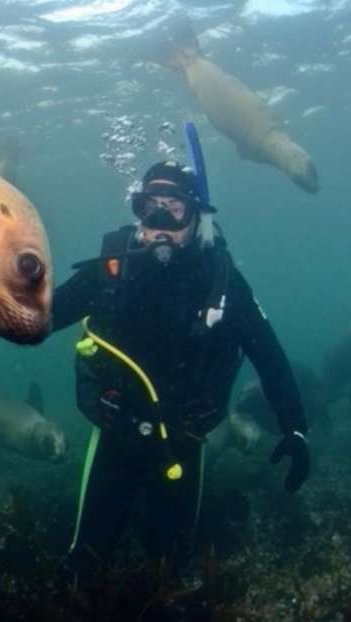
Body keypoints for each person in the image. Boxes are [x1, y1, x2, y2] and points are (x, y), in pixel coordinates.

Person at [53, 160, 309, 579]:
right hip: (117, 430)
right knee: (84, 562)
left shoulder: (220, 280)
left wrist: (295, 427)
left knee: (173, 567)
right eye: (148, 207)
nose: (159, 222)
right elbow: (40, 318)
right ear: (136, 213)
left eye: (174, 209)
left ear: (197, 217)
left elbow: (269, 355)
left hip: (184, 437)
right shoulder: (111, 271)